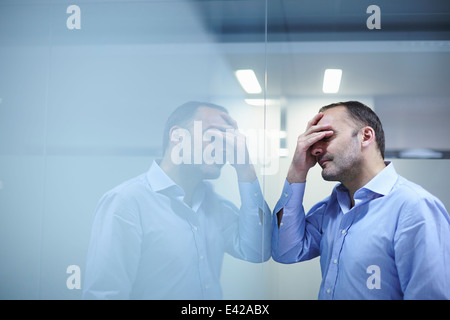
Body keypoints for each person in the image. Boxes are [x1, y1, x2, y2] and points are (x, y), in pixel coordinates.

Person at [83, 101, 271, 299]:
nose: (224, 147)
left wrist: (245, 168)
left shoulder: (216, 206)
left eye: (228, 139)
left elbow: (258, 250)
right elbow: (105, 294)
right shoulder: (126, 202)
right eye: (214, 135)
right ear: (177, 136)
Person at [272, 101, 450, 299]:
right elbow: (286, 251)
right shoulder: (333, 207)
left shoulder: (415, 207)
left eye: (326, 136)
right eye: (314, 142)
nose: (315, 150)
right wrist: (297, 171)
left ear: (366, 136)